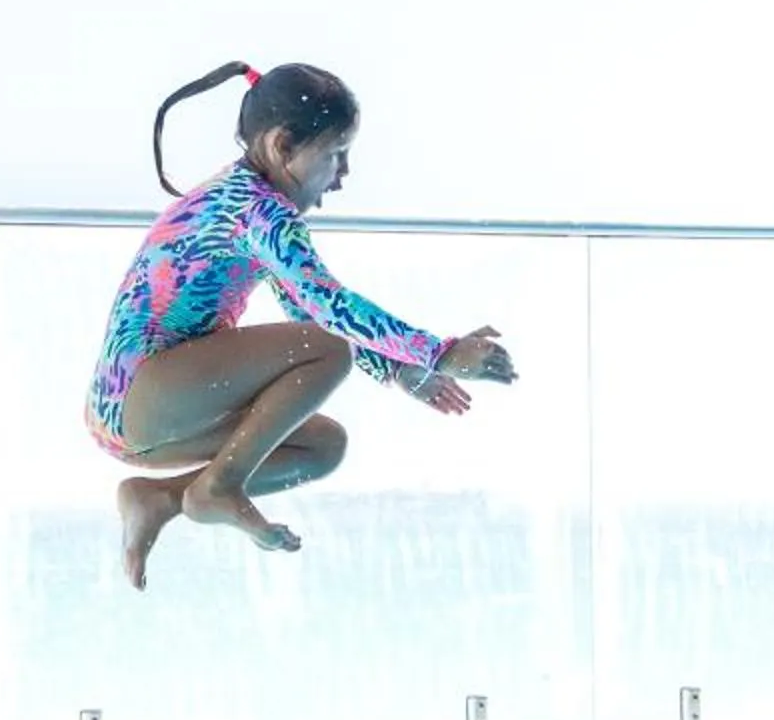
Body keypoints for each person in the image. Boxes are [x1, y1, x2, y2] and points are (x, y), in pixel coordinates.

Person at [85, 60, 518, 588]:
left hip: (147, 416)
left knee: (320, 447)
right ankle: (219, 487)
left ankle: (161, 498)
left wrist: (397, 371)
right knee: (328, 348)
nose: (344, 175)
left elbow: (302, 304)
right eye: (335, 154)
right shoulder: (257, 210)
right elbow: (328, 307)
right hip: (141, 394)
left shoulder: (241, 197)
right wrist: (439, 351)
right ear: (282, 146)